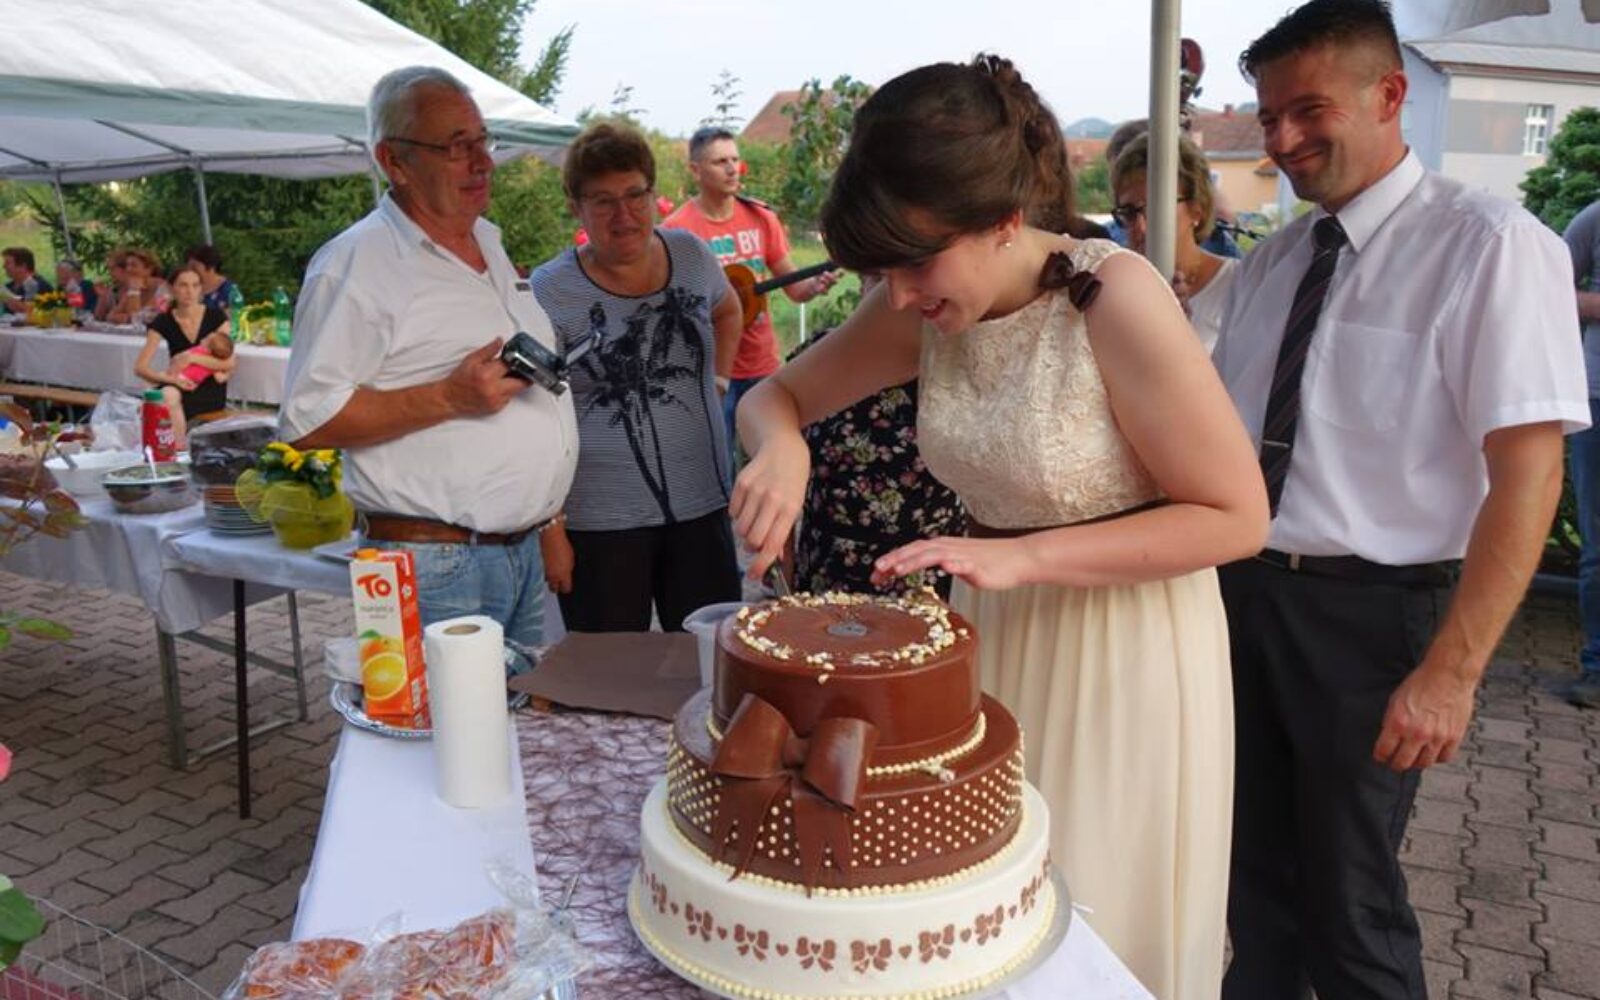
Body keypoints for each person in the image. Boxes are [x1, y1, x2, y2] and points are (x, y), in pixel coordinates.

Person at [730, 54, 1267, 997]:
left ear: (1004, 218)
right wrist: (783, 448)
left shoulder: (1114, 297)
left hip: (1124, 652)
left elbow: (1237, 517)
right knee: (979, 925)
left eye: (916, 262)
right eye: (884, 269)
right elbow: (774, 395)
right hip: (997, 636)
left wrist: (1026, 558)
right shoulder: (921, 304)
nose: (899, 295)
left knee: (1088, 917)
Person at [1212, 3, 1588, 997]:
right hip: (1240, 598)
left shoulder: (1490, 246)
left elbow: (1530, 475)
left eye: (1308, 110)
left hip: (1369, 620)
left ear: (1390, 95)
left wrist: (1452, 673)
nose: (1282, 139)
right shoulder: (1273, 264)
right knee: (1252, 893)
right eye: (1268, 117)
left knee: (1351, 909)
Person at [280, 66, 576, 668]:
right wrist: (448, 397)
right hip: (432, 564)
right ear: (395, 161)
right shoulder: (357, 262)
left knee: (515, 721)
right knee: (441, 726)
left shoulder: (487, 242)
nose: (483, 162)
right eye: (456, 146)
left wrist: (548, 524)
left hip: (515, 552)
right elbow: (307, 420)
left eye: (483, 140)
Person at [529, 122, 743, 632]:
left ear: (653, 195)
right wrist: (550, 528)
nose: (623, 215)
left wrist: (718, 383)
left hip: (702, 501)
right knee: (608, 665)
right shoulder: (548, 290)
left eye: (634, 195)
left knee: (707, 653)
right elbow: (534, 419)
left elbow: (729, 309)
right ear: (576, 207)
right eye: (602, 201)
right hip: (600, 519)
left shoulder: (690, 255)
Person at [661, 126, 838, 460]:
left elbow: (795, 289)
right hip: (709, 372)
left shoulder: (761, 217)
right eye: (720, 162)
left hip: (761, 365)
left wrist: (814, 286)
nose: (732, 169)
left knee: (772, 459)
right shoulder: (676, 231)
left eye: (735, 160)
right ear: (695, 170)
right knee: (715, 465)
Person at [786, 276, 968, 599]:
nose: (892, 297)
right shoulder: (820, 357)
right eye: (877, 277)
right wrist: (783, 548)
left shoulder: (950, 362)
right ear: (860, 284)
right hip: (827, 564)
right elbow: (783, 454)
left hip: (924, 574)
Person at [1111, 133, 1237, 352]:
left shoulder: (1237, 285)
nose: (1141, 227)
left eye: (1156, 208)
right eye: (1129, 212)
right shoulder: (1113, 287)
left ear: (1197, 209)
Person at [1564, 199, 1600, 709]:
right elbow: (1549, 290)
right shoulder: (1594, 218)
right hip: (1597, 399)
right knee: (1598, 549)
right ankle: (1597, 667)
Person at [134, 267, 234, 444]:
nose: (190, 291)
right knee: (165, 395)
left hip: (207, 385)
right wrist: (170, 379)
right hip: (178, 381)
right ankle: (177, 447)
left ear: (201, 288)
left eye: (195, 285)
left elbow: (228, 363)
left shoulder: (216, 317)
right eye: (183, 285)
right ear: (172, 288)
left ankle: (176, 446)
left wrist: (191, 358)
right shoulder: (163, 321)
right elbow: (140, 367)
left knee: (163, 398)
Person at [107, 249, 170, 325]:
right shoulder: (132, 287)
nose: (128, 269)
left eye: (133, 265)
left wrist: (134, 291)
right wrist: (129, 318)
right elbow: (110, 316)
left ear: (148, 269)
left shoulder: (164, 289)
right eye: (127, 265)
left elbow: (155, 318)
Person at [185, 244, 239, 312]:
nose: (190, 271)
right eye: (188, 267)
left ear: (210, 266)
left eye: (194, 268)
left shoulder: (230, 290)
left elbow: (237, 316)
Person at [2, 247, 52, 314]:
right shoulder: (8, 286)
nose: (4, 266)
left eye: (8, 263)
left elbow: (33, 311)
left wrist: (12, 301)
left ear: (23, 266)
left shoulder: (39, 285)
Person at [93, 249, 128, 322]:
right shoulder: (112, 289)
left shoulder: (138, 289)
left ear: (125, 268)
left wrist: (112, 317)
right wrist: (102, 296)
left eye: (112, 269)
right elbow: (98, 317)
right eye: (109, 269)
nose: (110, 273)